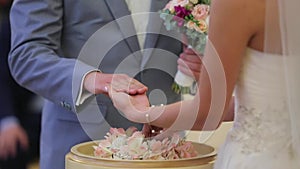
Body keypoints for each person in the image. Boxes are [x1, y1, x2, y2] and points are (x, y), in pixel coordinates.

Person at [8, 0, 200, 169]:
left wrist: (201, 63)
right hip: (81, 146)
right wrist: (93, 79)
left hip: (165, 150)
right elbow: (26, 54)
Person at [109, 0, 300, 168]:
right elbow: (270, 103)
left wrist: (138, 113)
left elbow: (209, 112)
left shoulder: (237, 3)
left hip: (256, 159)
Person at [0, 0, 41, 168]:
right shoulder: (13, 26)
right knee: (10, 148)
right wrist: (8, 122)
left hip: (71, 112)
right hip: (27, 115)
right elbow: (2, 79)